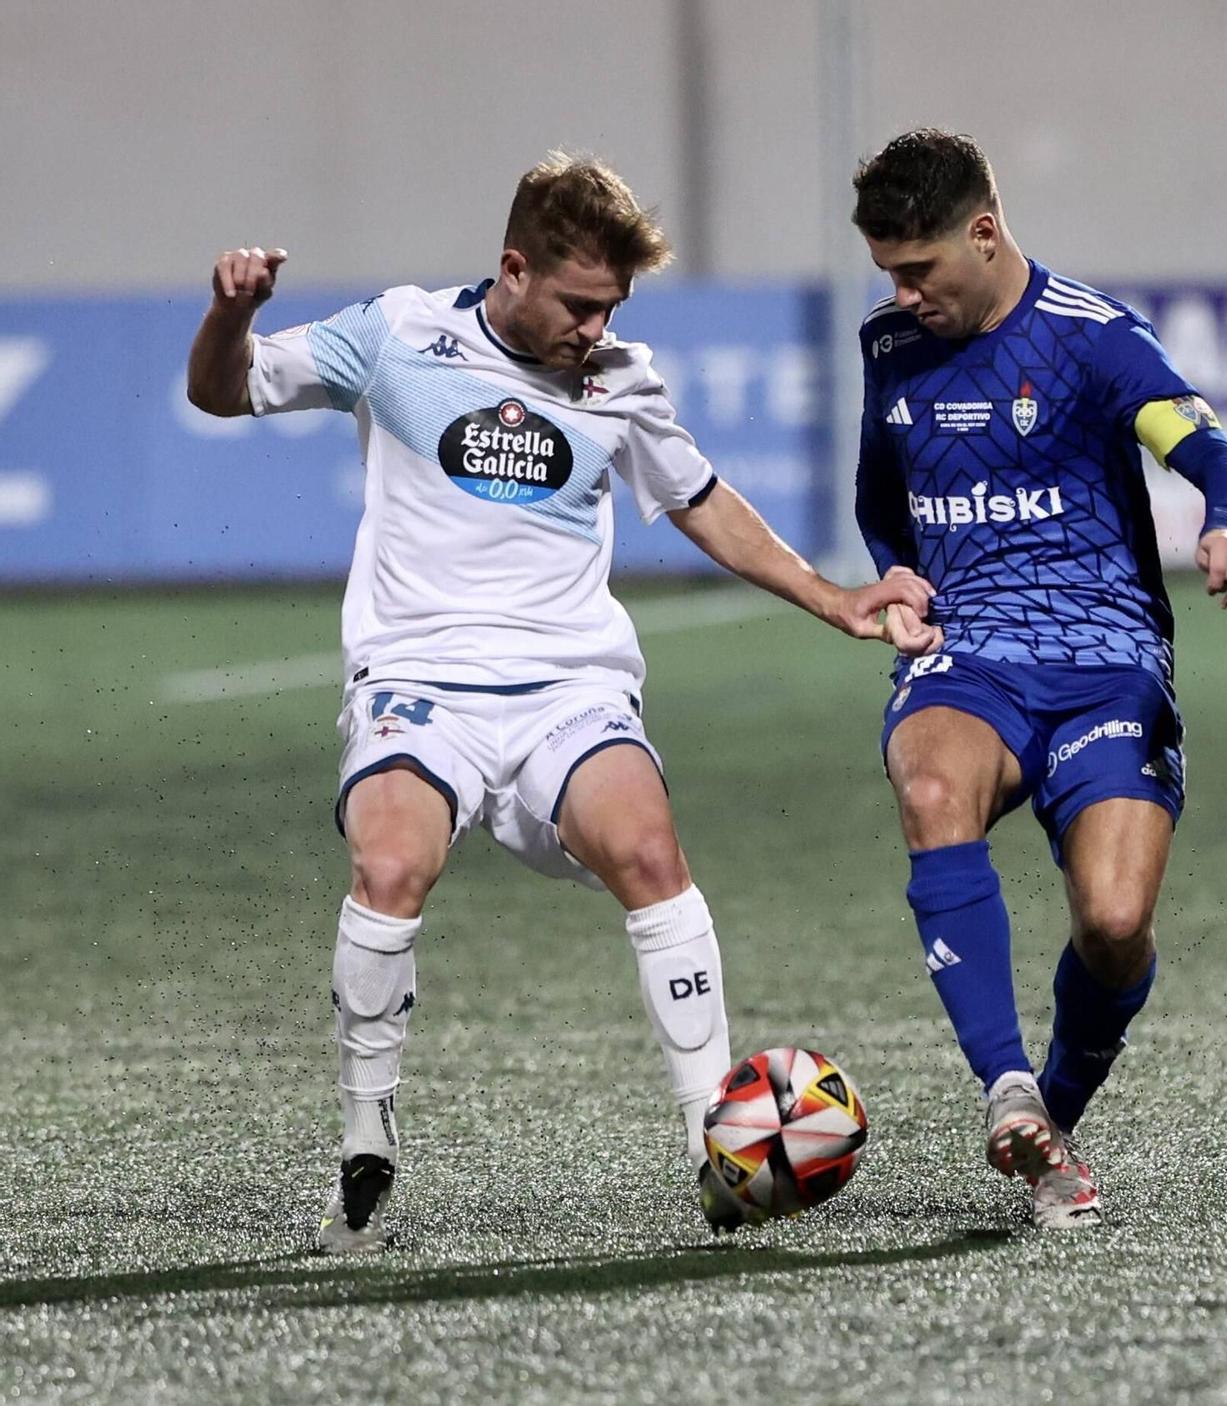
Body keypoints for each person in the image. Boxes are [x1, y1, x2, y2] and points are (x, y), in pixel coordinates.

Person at [185, 152, 931, 1251]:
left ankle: (713, 1150)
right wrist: (228, 317)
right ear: (513, 268)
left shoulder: (621, 377)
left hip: (568, 685)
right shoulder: (394, 334)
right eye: (580, 304)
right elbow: (219, 387)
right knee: (389, 864)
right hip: (419, 677)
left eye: (612, 306)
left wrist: (833, 600)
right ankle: (365, 1144)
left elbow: (701, 501)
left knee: (647, 849)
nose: (595, 326)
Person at [849, 130, 1227, 1229]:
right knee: (931, 791)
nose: (903, 293)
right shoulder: (890, 345)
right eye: (887, 272)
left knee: (1115, 920)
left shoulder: (1093, 339)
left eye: (919, 270)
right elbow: (878, 496)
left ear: (983, 233)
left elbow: (1211, 452)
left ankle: (1050, 1127)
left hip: (1105, 664)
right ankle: (1001, 1082)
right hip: (969, 653)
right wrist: (892, 568)